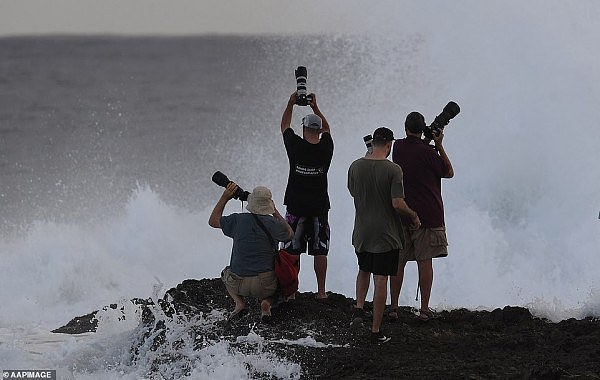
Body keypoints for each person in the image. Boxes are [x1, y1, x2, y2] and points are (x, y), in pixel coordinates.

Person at [347, 127, 420, 343]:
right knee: (381, 280)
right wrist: (413, 216)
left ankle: (359, 309)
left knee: (363, 270)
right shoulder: (394, 170)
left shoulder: (355, 166)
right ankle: (376, 331)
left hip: (361, 231)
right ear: (389, 144)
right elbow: (397, 204)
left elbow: (353, 192)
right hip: (385, 235)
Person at [390, 111, 454, 321]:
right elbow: (448, 171)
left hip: (403, 214)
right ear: (422, 128)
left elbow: (413, 150)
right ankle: (424, 311)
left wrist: (427, 140)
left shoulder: (398, 147)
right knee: (425, 262)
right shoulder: (428, 153)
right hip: (429, 214)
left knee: (398, 262)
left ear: (405, 127)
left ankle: (393, 307)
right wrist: (439, 144)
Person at [209, 183, 293, 322]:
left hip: (238, 283)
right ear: (268, 205)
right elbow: (290, 234)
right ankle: (266, 303)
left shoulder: (237, 220)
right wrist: (274, 210)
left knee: (225, 272)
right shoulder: (273, 223)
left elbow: (213, 221)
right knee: (279, 285)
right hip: (264, 285)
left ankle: (239, 303)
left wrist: (225, 197)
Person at [280, 91, 333, 300]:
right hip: (319, 206)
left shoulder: (295, 146)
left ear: (303, 128)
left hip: (295, 206)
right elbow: (328, 129)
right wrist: (315, 107)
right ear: (318, 131)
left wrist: (290, 103)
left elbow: (284, 126)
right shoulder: (327, 147)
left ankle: (292, 292)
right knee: (320, 250)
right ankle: (321, 292)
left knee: (293, 249)